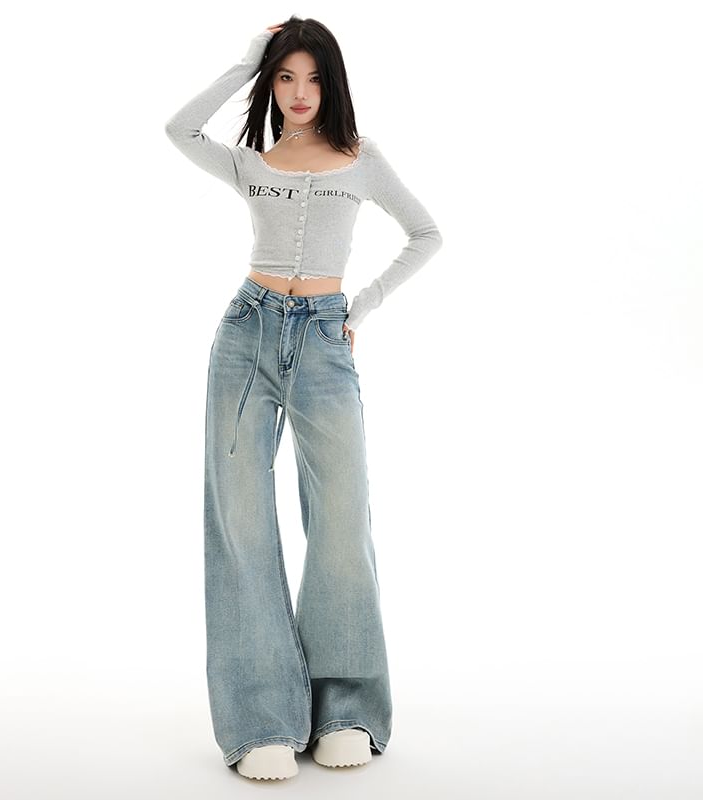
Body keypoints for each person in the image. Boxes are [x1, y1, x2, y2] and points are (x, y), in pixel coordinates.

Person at [164, 15, 442, 781]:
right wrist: (244, 62)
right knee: (241, 522)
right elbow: (178, 129)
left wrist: (361, 306)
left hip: (324, 341)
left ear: (332, 84)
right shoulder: (252, 162)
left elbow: (425, 233)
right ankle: (260, 718)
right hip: (245, 337)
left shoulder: (361, 158)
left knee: (342, 521)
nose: (298, 92)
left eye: (312, 77)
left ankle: (345, 707)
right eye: (284, 76)